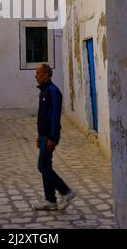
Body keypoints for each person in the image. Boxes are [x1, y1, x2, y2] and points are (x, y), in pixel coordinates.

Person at [33, 64, 76, 211]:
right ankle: (51, 200)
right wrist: (40, 136)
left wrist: (51, 137)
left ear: (46, 75)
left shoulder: (53, 91)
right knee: (44, 167)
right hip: (44, 135)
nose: (35, 75)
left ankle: (65, 192)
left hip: (50, 136)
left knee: (44, 166)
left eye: (38, 73)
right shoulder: (44, 91)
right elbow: (42, 116)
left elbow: (55, 116)